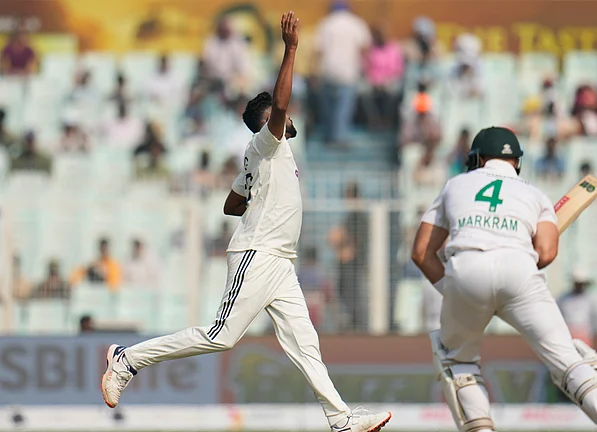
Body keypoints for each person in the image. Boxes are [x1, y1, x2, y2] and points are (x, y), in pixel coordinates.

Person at [99, 14, 391, 432]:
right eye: (280, 117)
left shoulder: (263, 156)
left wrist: (255, 197)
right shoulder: (266, 143)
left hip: (280, 261)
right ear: (269, 123)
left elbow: (231, 204)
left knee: (305, 343)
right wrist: (291, 49)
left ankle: (340, 419)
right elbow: (281, 109)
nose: (289, 118)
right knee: (221, 335)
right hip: (258, 254)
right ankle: (127, 359)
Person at [411, 126, 597, 432]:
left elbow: (421, 252)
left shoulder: (454, 185)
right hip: (520, 272)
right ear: (517, 162)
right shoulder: (535, 195)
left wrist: (454, 291)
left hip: (466, 269)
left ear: (477, 159)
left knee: (460, 363)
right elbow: (546, 253)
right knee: (570, 362)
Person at [314, 0, 371, 146]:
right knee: (344, 107)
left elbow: (318, 49)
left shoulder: (326, 24)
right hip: (348, 71)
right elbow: (365, 47)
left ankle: (330, 136)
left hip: (328, 71)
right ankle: (339, 138)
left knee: (329, 107)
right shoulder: (356, 23)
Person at [327, 182, 369, 331]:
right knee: (345, 293)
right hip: (347, 263)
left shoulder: (358, 215)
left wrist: (339, 238)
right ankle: (352, 324)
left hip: (353, 263)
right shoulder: (352, 215)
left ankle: (358, 326)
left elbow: (353, 240)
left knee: (352, 295)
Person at [557, 268, 597, 348]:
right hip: (568, 336)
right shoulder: (563, 299)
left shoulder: (590, 300)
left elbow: (594, 320)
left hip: (585, 337)